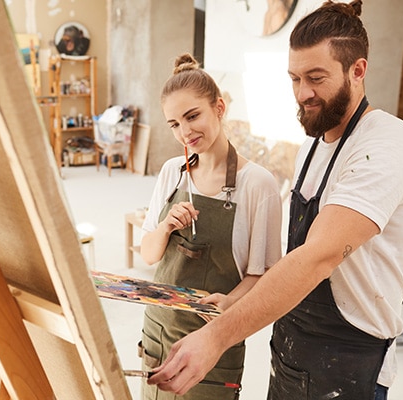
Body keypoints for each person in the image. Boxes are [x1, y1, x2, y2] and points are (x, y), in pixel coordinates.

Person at [146, 2, 403, 400]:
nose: (303, 93)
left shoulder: (385, 147)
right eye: (295, 78)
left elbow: (317, 257)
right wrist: (233, 304)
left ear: (358, 70)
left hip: (347, 361)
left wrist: (215, 337)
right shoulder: (311, 147)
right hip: (292, 348)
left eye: (316, 78)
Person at [139, 53, 283, 400]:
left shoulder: (257, 185)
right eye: (174, 124)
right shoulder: (173, 172)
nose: (185, 132)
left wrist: (230, 304)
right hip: (159, 328)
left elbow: (264, 275)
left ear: (219, 108)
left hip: (212, 342)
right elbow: (148, 254)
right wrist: (165, 228)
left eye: (192, 116)